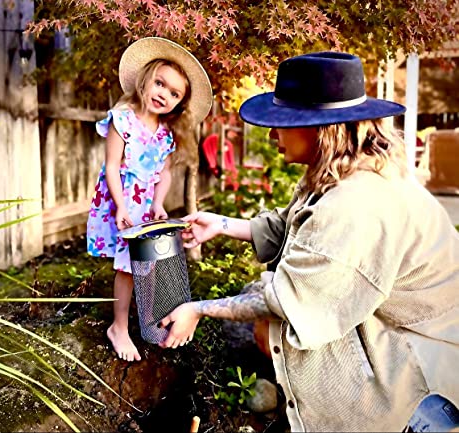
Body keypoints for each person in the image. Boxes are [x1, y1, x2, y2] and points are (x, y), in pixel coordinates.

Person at [158, 51, 459, 431]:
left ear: (319, 129)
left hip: (419, 347)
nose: (272, 135)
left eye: (282, 123)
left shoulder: (357, 201)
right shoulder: (345, 168)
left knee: (281, 331)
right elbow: (295, 227)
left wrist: (197, 309)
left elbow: (287, 299)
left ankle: (405, 418)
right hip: (391, 314)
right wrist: (218, 224)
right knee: (271, 325)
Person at [87, 37, 212, 362]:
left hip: (146, 209)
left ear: (179, 104)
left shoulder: (166, 134)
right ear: (146, 80)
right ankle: (118, 327)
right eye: (161, 84)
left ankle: (148, 320)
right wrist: (121, 207)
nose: (164, 95)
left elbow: (165, 174)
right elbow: (112, 167)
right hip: (124, 204)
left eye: (174, 94)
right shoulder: (122, 120)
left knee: (149, 263)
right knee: (127, 267)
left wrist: (159, 203)